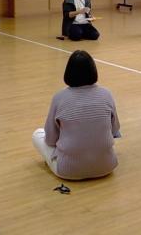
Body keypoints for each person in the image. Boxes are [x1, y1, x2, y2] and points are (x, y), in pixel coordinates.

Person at [32, 50, 120, 180]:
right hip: (107, 167)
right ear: (93, 70)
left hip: (69, 171)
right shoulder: (107, 94)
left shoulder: (59, 97)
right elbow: (115, 130)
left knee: (37, 134)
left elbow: (50, 139)